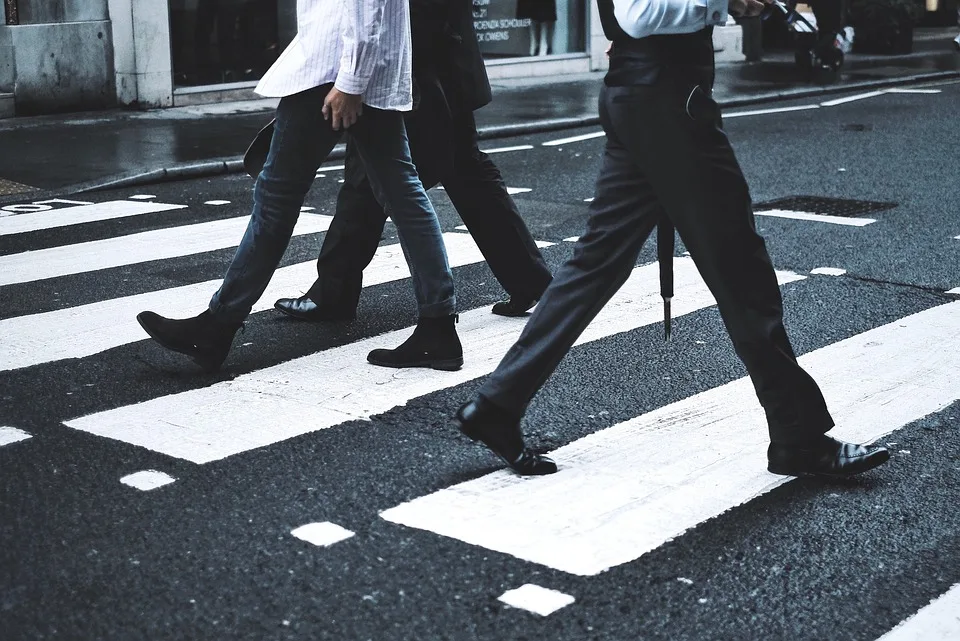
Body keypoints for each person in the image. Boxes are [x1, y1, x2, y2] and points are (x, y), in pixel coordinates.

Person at [454, 0, 891, 478]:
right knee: (742, 271)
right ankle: (799, 437)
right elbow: (638, 14)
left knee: (596, 265)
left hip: (647, 97)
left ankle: (497, 405)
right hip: (668, 105)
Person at [137, 0, 462, 373]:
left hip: (331, 71)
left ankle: (217, 324)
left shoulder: (343, 72)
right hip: (360, 66)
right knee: (404, 195)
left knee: (276, 197)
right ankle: (438, 327)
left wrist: (351, 80)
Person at [273, 0, 553, 330]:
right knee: (461, 173)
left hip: (422, 68)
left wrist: (363, 74)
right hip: (438, 64)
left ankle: (339, 293)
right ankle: (530, 281)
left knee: (371, 179)